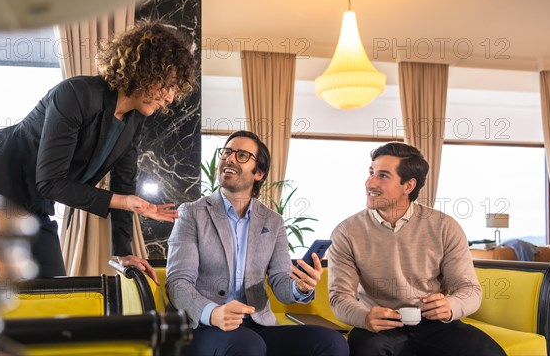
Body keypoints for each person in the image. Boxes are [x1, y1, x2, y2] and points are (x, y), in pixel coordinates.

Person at [0, 20, 196, 281]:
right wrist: (120, 201)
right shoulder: (75, 94)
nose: (170, 98)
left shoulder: (134, 120)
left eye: (175, 89)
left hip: (34, 205)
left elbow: (124, 184)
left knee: (56, 292)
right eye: (167, 85)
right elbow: (50, 182)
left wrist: (122, 252)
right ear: (145, 70)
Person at [166, 131, 349, 356]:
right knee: (247, 345)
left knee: (332, 342)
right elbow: (177, 283)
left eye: (242, 155)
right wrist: (213, 313)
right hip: (204, 327)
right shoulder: (192, 213)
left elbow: (280, 281)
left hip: (257, 326)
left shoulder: (273, 221)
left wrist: (300, 287)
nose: (229, 159)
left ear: (259, 173)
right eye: (227, 152)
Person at [328, 142, 506, 356]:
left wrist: (449, 306)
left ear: (408, 186)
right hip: (378, 327)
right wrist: (364, 317)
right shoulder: (346, 232)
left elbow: (469, 290)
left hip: (434, 323)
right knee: (365, 348)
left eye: (383, 176)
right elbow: (340, 297)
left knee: (488, 352)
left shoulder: (444, 226)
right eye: (371, 173)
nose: (370, 183)